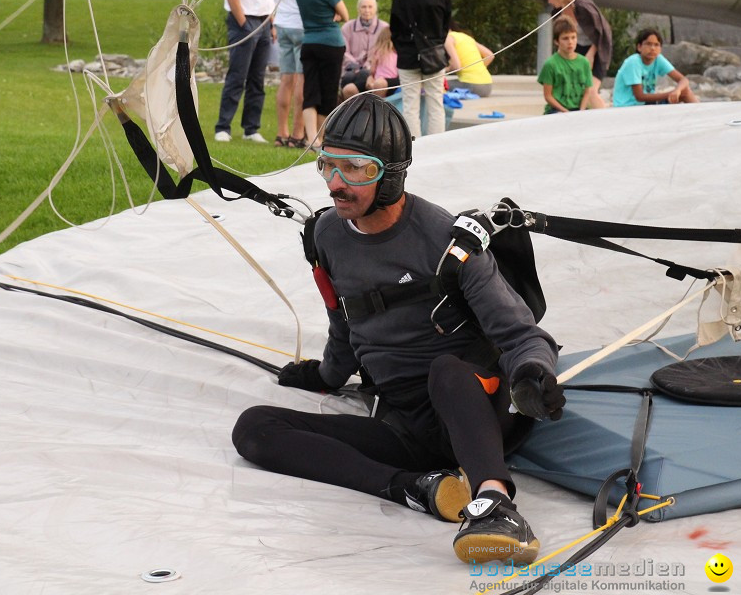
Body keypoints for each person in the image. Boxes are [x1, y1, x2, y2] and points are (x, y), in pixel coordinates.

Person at [232, 93, 564, 565]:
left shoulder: (450, 242)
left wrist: (532, 375)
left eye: (357, 170)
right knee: (255, 427)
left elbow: (521, 335)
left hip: (476, 409)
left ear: (391, 173)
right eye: (328, 166)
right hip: (406, 425)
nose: (336, 184)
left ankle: (495, 503)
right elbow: (344, 323)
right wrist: (324, 375)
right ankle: (416, 489)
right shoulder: (326, 235)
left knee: (446, 370)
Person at [215, 0, 282, 143]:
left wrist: (271, 24)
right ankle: (223, 127)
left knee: (257, 79)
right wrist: (244, 25)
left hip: (264, 22)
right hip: (244, 22)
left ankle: (251, 129)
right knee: (237, 76)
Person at [389, 0, 452, 137]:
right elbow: (445, 26)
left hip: (408, 55)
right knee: (435, 103)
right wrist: (435, 44)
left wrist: (403, 47)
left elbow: (395, 28)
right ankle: (436, 146)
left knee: (410, 105)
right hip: (433, 54)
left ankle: (413, 147)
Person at [270, 0, 319, 148]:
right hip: (301, 23)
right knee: (303, 80)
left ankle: (281, 133)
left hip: (282, 22)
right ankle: (298, 134)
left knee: (286, 79)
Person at [295, 0, 349, 148]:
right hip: (331, 43)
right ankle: (322, 137)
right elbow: (345, 15)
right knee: (328, 91)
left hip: (309, 42)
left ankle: (311, 138)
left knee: (311, 90)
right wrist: (334, 15)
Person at [542, 0, 611, 109]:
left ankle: (606, 120)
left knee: (591, 90)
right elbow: (561, 36)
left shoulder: (583, 6)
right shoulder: (557, 12)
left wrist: (591, 54)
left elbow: (601, 32)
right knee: (579, 90)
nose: (549, 1)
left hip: (597, 47)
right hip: (577, 47)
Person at [612, 27, 700, 107]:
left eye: (656, 45)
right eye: (648, 44)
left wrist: (677, 90)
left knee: (685, 92)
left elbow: (683, 80)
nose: (653, 48)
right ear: (639, 47)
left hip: (647, 104)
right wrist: (670, 94)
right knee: (681, 93)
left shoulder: (658, 59)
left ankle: (702, 117)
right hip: (629, 106)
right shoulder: (634, 62)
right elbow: (640, 96)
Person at [538, 17, 596, 114]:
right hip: (557, 110)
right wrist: (565, 111)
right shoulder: (550, 64)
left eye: (573, 37)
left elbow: (587, 91)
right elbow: (548, 96)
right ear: (556, 41)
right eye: (565, 38)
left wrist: (581, 111)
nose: (570, 42)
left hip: (580, 109)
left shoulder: (584, 62)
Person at [340, 0, 388, 100]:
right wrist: (356, 66)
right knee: (349, 78)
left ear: (375, 9)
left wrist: (368, 65)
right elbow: (343, 51)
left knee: (365, 75)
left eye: (370, 7)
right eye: (363, 7)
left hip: (375, 71)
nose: (367, 10)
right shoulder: (347, 27)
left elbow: (385, 51)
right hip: (350, 69)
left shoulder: (384, 28)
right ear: (358, 9)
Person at [445, 25, 494, 97]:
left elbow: (457, 66)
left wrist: (445, 70)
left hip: (472, 86)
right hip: (488, 86)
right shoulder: (465, 37)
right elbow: (490, 55)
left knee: (437, 85)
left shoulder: (448, 39)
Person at [364, 26, 400, 97]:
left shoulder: (378, 52)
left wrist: (371, 76)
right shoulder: (398, 54)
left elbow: (372, 70)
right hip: (393, 83)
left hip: (378, 81)